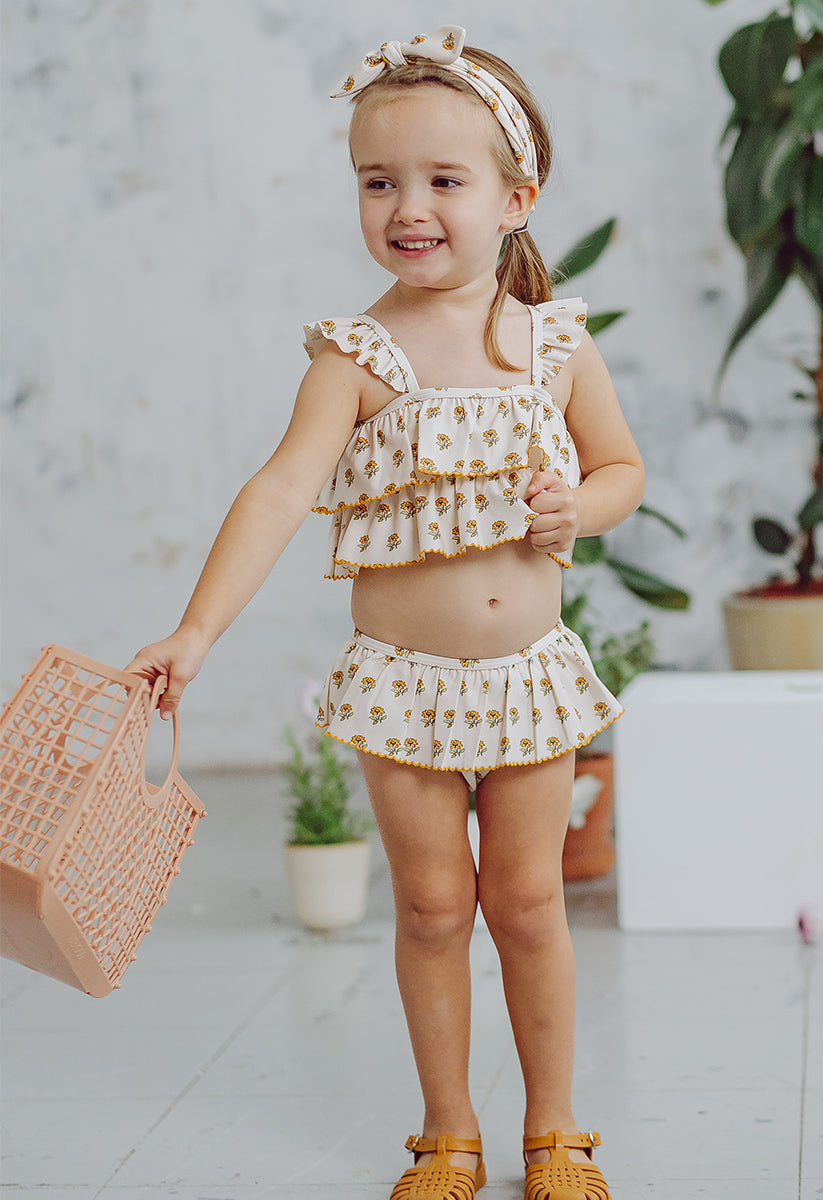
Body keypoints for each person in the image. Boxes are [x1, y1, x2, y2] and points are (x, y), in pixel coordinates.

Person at [128, 24, 643, 1200]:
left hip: (528, 679)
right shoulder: (355, 358)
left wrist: (582, 506)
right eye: (379, 181)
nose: (409, 207)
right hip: (404, 685)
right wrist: (196, 631)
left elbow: (621, 468)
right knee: (430, 905)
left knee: (529, 903)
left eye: (444, 180)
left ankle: (556, 1129)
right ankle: (447, 1130)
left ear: (516, 199)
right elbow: (277, 492)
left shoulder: (556, 345)